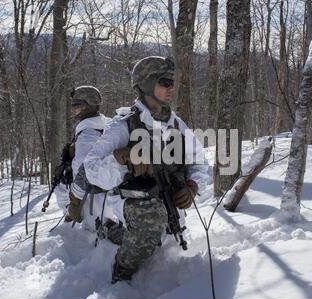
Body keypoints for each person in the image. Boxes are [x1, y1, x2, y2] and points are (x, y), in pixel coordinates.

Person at [83, 56, 209, 283]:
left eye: (172, 83)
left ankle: (117, 232)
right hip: (131, 203)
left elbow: (200, 161)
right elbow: (90, 170)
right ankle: (121, 272)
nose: (171, 88)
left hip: (166, 203)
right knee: (150, 221)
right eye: (164, 82)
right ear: (147, 85)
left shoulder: (176, 124)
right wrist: (121, 159)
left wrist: (193, 186)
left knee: (160, 230)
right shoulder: (123, 125)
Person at [54, 85, 110, 229]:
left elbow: (82, 168)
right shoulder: (105, 124)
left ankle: (73, 220)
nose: (72, 109)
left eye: (76, 105)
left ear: (88, 106)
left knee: (62, 180)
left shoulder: (88, 133)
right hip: (104, 188)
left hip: (93, 195)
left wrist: (74, 202)